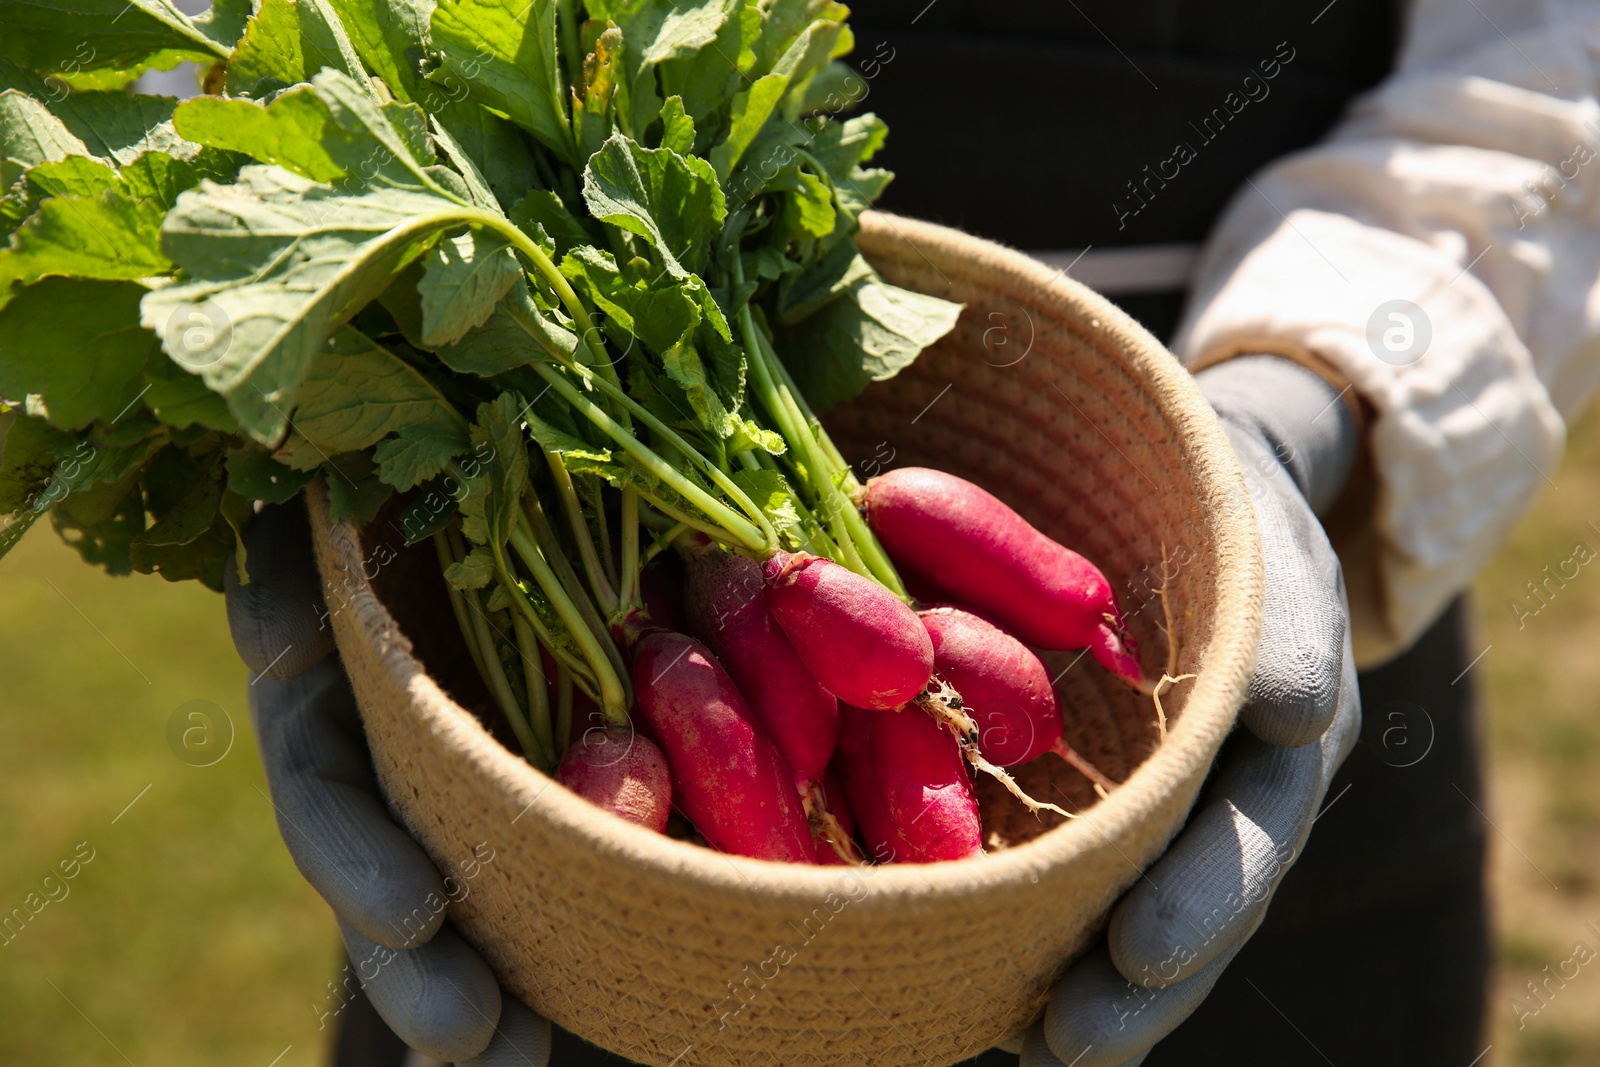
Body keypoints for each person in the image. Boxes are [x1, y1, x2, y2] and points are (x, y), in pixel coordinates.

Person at [229, 0, 1600, 1063]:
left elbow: (1549, 74)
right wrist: (329, 515)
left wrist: (1305, 400)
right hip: (573, 904)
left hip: (1287, 600)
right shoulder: (694, 664)